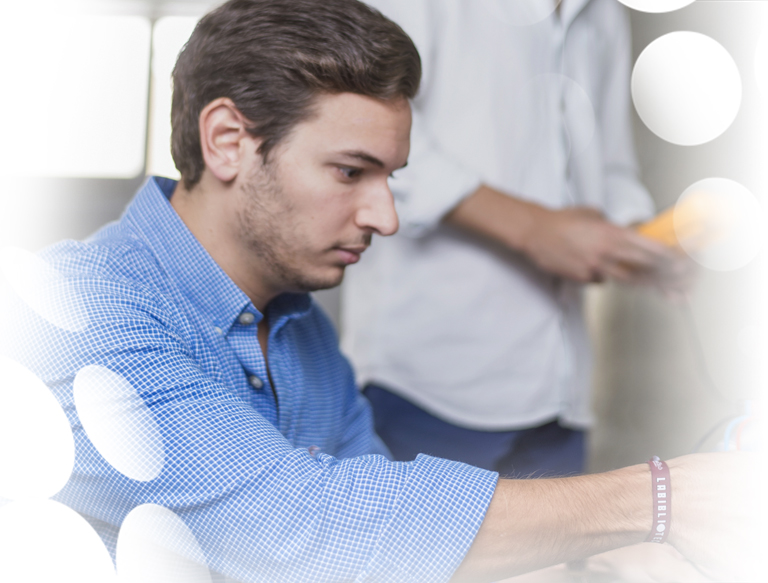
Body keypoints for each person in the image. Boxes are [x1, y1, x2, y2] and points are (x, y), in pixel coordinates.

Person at [0, 1, 754, 582]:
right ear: (227, 141)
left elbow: (388, 542)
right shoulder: (79, 316)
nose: (387, 215)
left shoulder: (301, 333)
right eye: (350, 172)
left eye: (390, 176)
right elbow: (301, 526)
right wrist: (664, 498)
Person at [341, 0, 687, 476]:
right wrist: (534, 230)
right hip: (428, 381)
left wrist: (637, 241)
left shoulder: (603, 11)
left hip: (561, 392)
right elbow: (361, 131)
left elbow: (608, 165)